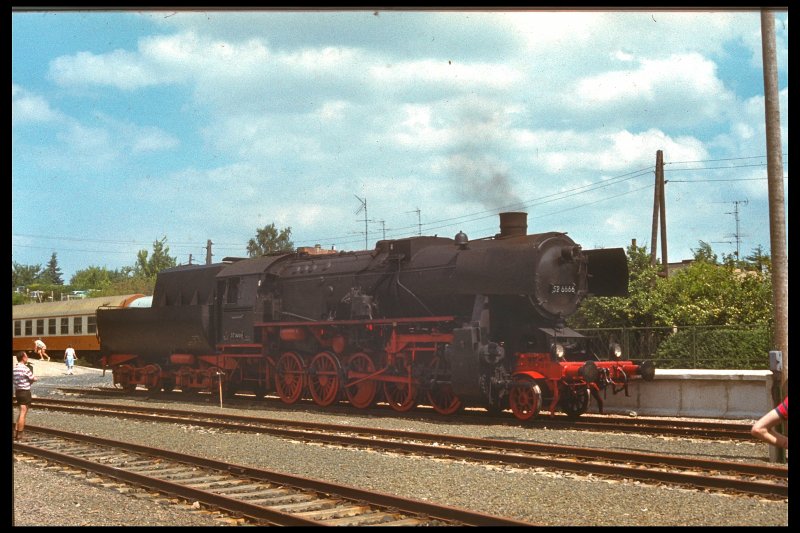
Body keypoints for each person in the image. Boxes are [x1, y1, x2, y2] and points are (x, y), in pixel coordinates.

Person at [13, 351, 39, 441]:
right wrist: (35, 378)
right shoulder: (25, 368)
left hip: (18, 392)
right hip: (25, 392)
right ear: (23, 357)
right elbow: (33, 378)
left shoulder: (15, 368)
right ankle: (19, 435)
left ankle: (15, 432)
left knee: (21, 412)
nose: (27, 358)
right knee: (23, 413)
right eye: (26, 356)